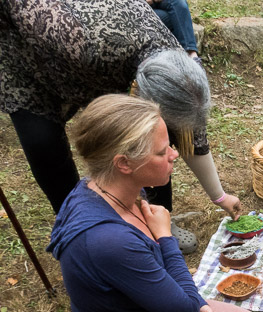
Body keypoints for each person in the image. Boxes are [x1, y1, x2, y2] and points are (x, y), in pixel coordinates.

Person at [47, 95, 263, 312]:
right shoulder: (108, 241)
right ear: (123, 163)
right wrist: (165, 238)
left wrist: (195, 304)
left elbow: (182, 301)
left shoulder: (99, 185)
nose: (174, 155)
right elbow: (183, 310)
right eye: (162, 151)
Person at [0, 0, 241, 253]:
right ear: (142, 96)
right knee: (44, 144)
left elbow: (191, 135)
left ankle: (156, 219)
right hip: (27, 60)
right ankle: (83, 234)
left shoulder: (173, 63)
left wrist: (219, 196)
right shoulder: (73, 38)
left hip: (111, 60)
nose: (174, 153)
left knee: (152, 147)